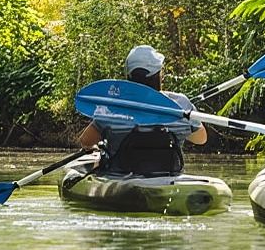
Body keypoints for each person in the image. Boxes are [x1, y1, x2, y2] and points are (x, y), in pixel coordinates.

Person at [77, 45, 208, 176]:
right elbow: (201, 139)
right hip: (168, 177)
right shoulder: (181, 103)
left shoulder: (113, 107)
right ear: (159, 75)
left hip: (121, 177)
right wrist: (181, 126)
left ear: (128, 76)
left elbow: (86, 141)